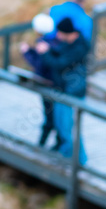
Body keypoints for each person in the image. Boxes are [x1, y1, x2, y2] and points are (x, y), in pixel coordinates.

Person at [36, 17, 90, 164]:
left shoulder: (79, 47)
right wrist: (48, 50)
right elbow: (59, 53)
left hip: (72, 93)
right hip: (63, 91)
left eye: (59, 33)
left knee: (69, 129)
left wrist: (45, 53)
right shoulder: (69, 43)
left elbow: (60, 63)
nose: (57, 36)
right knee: (62, 127)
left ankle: (79, 162)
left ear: (67, 33)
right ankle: (69, 159)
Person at [20, 13, 61, 147]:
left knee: (50, 115)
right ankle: (55, 142)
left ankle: (44, 143)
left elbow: (39, 65)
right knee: (55, 114)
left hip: (47, 85)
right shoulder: (56, 41)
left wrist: (26, 53)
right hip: (57, 84)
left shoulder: (43, 44)